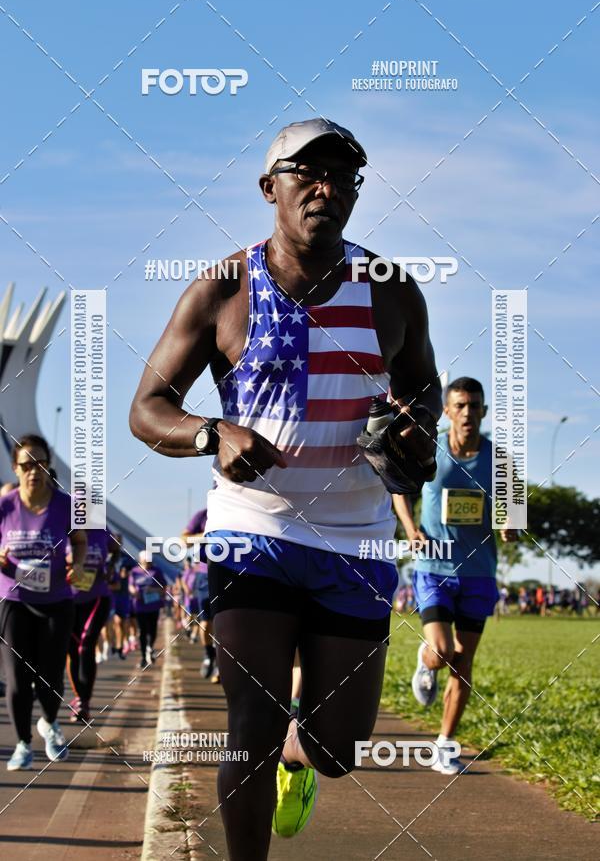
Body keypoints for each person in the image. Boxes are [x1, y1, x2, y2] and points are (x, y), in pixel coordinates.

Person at [130, 117, 440, 859]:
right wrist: (211, 434)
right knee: (251, 723)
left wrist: (411, 431)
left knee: (339, 748)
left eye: (342, 178)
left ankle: (300, 754)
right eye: (307, 174)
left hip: (356, 539)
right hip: (252, 530)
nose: (324, 189)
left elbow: (424, 392)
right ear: (270, 187)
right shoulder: (223, 288)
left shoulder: (391, 290)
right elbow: (148, 409)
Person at [394, 377, 518, 775]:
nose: (467, 413)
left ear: (484, 411)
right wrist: (410, 528)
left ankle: (445, 744)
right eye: (460, 406)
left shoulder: (501, 461)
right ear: (447, 411)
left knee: (463, 662)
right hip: (435, 568)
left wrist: (510, 526)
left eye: (474, 406)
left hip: (479, 573)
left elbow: (514, 511)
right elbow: (399, 487)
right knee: (443, 652)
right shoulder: (430, 449)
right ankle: (425, 659)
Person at [0, 434, 87, 770]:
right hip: (14, 599)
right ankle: (23, 744)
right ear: (15, 468)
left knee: (50, 675)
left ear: (48, 466)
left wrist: (78, 564)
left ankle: (50, 723)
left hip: (56, 601)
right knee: (17, 679)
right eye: (26, 465)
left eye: (40, 464)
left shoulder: (66, 504)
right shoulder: (5, 506)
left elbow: (80, 541)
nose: (34, 471)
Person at [66, 529, 115, 722]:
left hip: (97, 597)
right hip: (67, 598)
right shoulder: (63, 525)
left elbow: (116, 548)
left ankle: (84, 702)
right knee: (72, 650)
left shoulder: (102, 530)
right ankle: (79, 697)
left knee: (86, 645)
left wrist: (110, 569)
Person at [182, 508, 218, 680]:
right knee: (206, 622)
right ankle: (209, 654)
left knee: (225, 620)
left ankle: (221, 663)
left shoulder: (241, 508)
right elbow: (184, 539)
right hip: (205, 574)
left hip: (234, 572)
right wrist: (206, 535)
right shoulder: (203, 515)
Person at [129, 550, 167, 667]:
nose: (147, 564)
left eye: (149, 562)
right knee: (142, 631)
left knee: (152, 629)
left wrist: (153, 590)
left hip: (153, 605)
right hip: (139, 605)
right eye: (145, 562)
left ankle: (150, 647)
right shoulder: (134, 572)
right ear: (140, 561)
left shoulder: (156, 571)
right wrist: (134, 592)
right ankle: (143, 657)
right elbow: (130, 586)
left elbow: (164, 588)